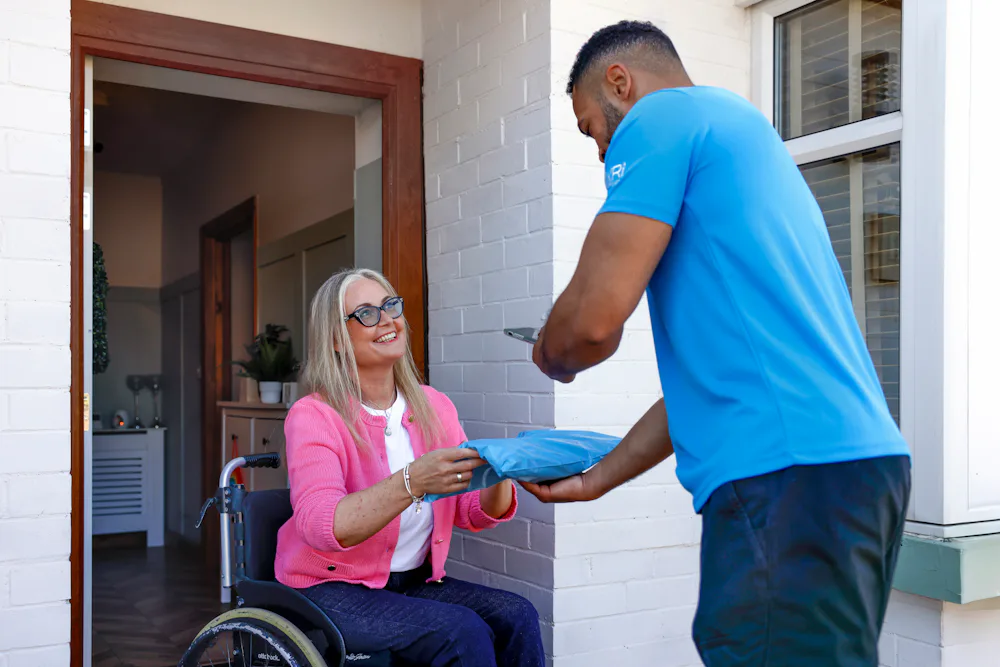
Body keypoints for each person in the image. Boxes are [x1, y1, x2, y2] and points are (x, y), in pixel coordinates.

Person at [521, 20, 911, 667]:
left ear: (620, 82)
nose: (601, 155)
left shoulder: (660, 119)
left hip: (787, 477)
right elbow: (711, 385)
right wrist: (599, 479)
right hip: (848, 470)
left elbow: (588, 327)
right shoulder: (739, 134)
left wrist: (545, 350)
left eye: (595, 129)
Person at [274, 268, 545, 667]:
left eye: (390, 306)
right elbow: (320, 524)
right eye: (366, 313)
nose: (387, 320)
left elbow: (471, 512)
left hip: (413, 582)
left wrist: (501, 472)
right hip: (330, 587)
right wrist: (411, 481)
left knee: (517, 615)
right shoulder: (314, 415)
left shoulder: (434, 406)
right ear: (335, 338)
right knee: (461, 632)